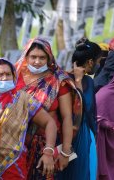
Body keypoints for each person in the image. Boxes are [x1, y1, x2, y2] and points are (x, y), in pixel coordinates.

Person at [15, 37, 82, 179]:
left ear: (49, 58)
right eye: (33, 57)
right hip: (15, 143)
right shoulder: (13, 75)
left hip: (47, 146)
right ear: (26, 56)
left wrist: (65, 152)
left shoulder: (58, 80)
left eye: (42, 58)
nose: (37, 62)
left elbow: (67, 118)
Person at [0, 58, 57, 179]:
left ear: (14, 76)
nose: (4, 78)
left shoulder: (23, 99)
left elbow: (49, 123)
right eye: (0, 75)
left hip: (14, 164)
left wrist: (48, 152)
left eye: (8, 74)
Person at [60, 37, 101, 180]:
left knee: (82, 172)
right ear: (90, 62)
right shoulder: (64, 79)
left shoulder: (89, 81)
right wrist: (77, 81)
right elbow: (81, 106)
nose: (98, 65)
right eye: (98, 61)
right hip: (70, 133)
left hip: (84, 133)